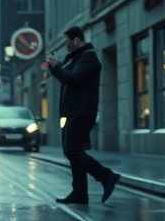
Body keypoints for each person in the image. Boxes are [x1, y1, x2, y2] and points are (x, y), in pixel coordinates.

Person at [45, 26, 120, 204]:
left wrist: (56, 65)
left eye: (67, 41)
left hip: (82, 112)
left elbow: (72, 78)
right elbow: (65, 76)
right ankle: (79, 193)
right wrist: (53, 66)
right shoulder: (76, 57)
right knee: (71, 151)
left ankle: (106, 176)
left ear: (77, 39)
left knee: (73, 150)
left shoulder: (88, 56)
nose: (66, 45)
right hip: (72, 112)